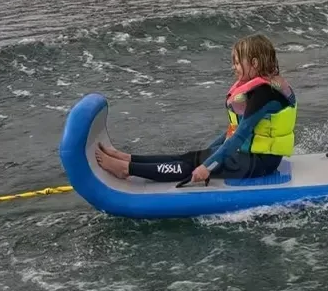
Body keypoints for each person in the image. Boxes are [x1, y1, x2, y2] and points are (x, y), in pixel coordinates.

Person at [95, 33, 297, 184]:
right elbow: (234, 130)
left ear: (254, 63)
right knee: (190, 156)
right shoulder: (266, 87)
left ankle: (126, 170)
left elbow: (240, 136)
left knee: (189, 166)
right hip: (254, 156)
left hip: (258, 164)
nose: (233, 67)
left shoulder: (264, 93)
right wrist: (207, 153)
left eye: (237, 62)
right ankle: (128, 159)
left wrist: (206, 167)